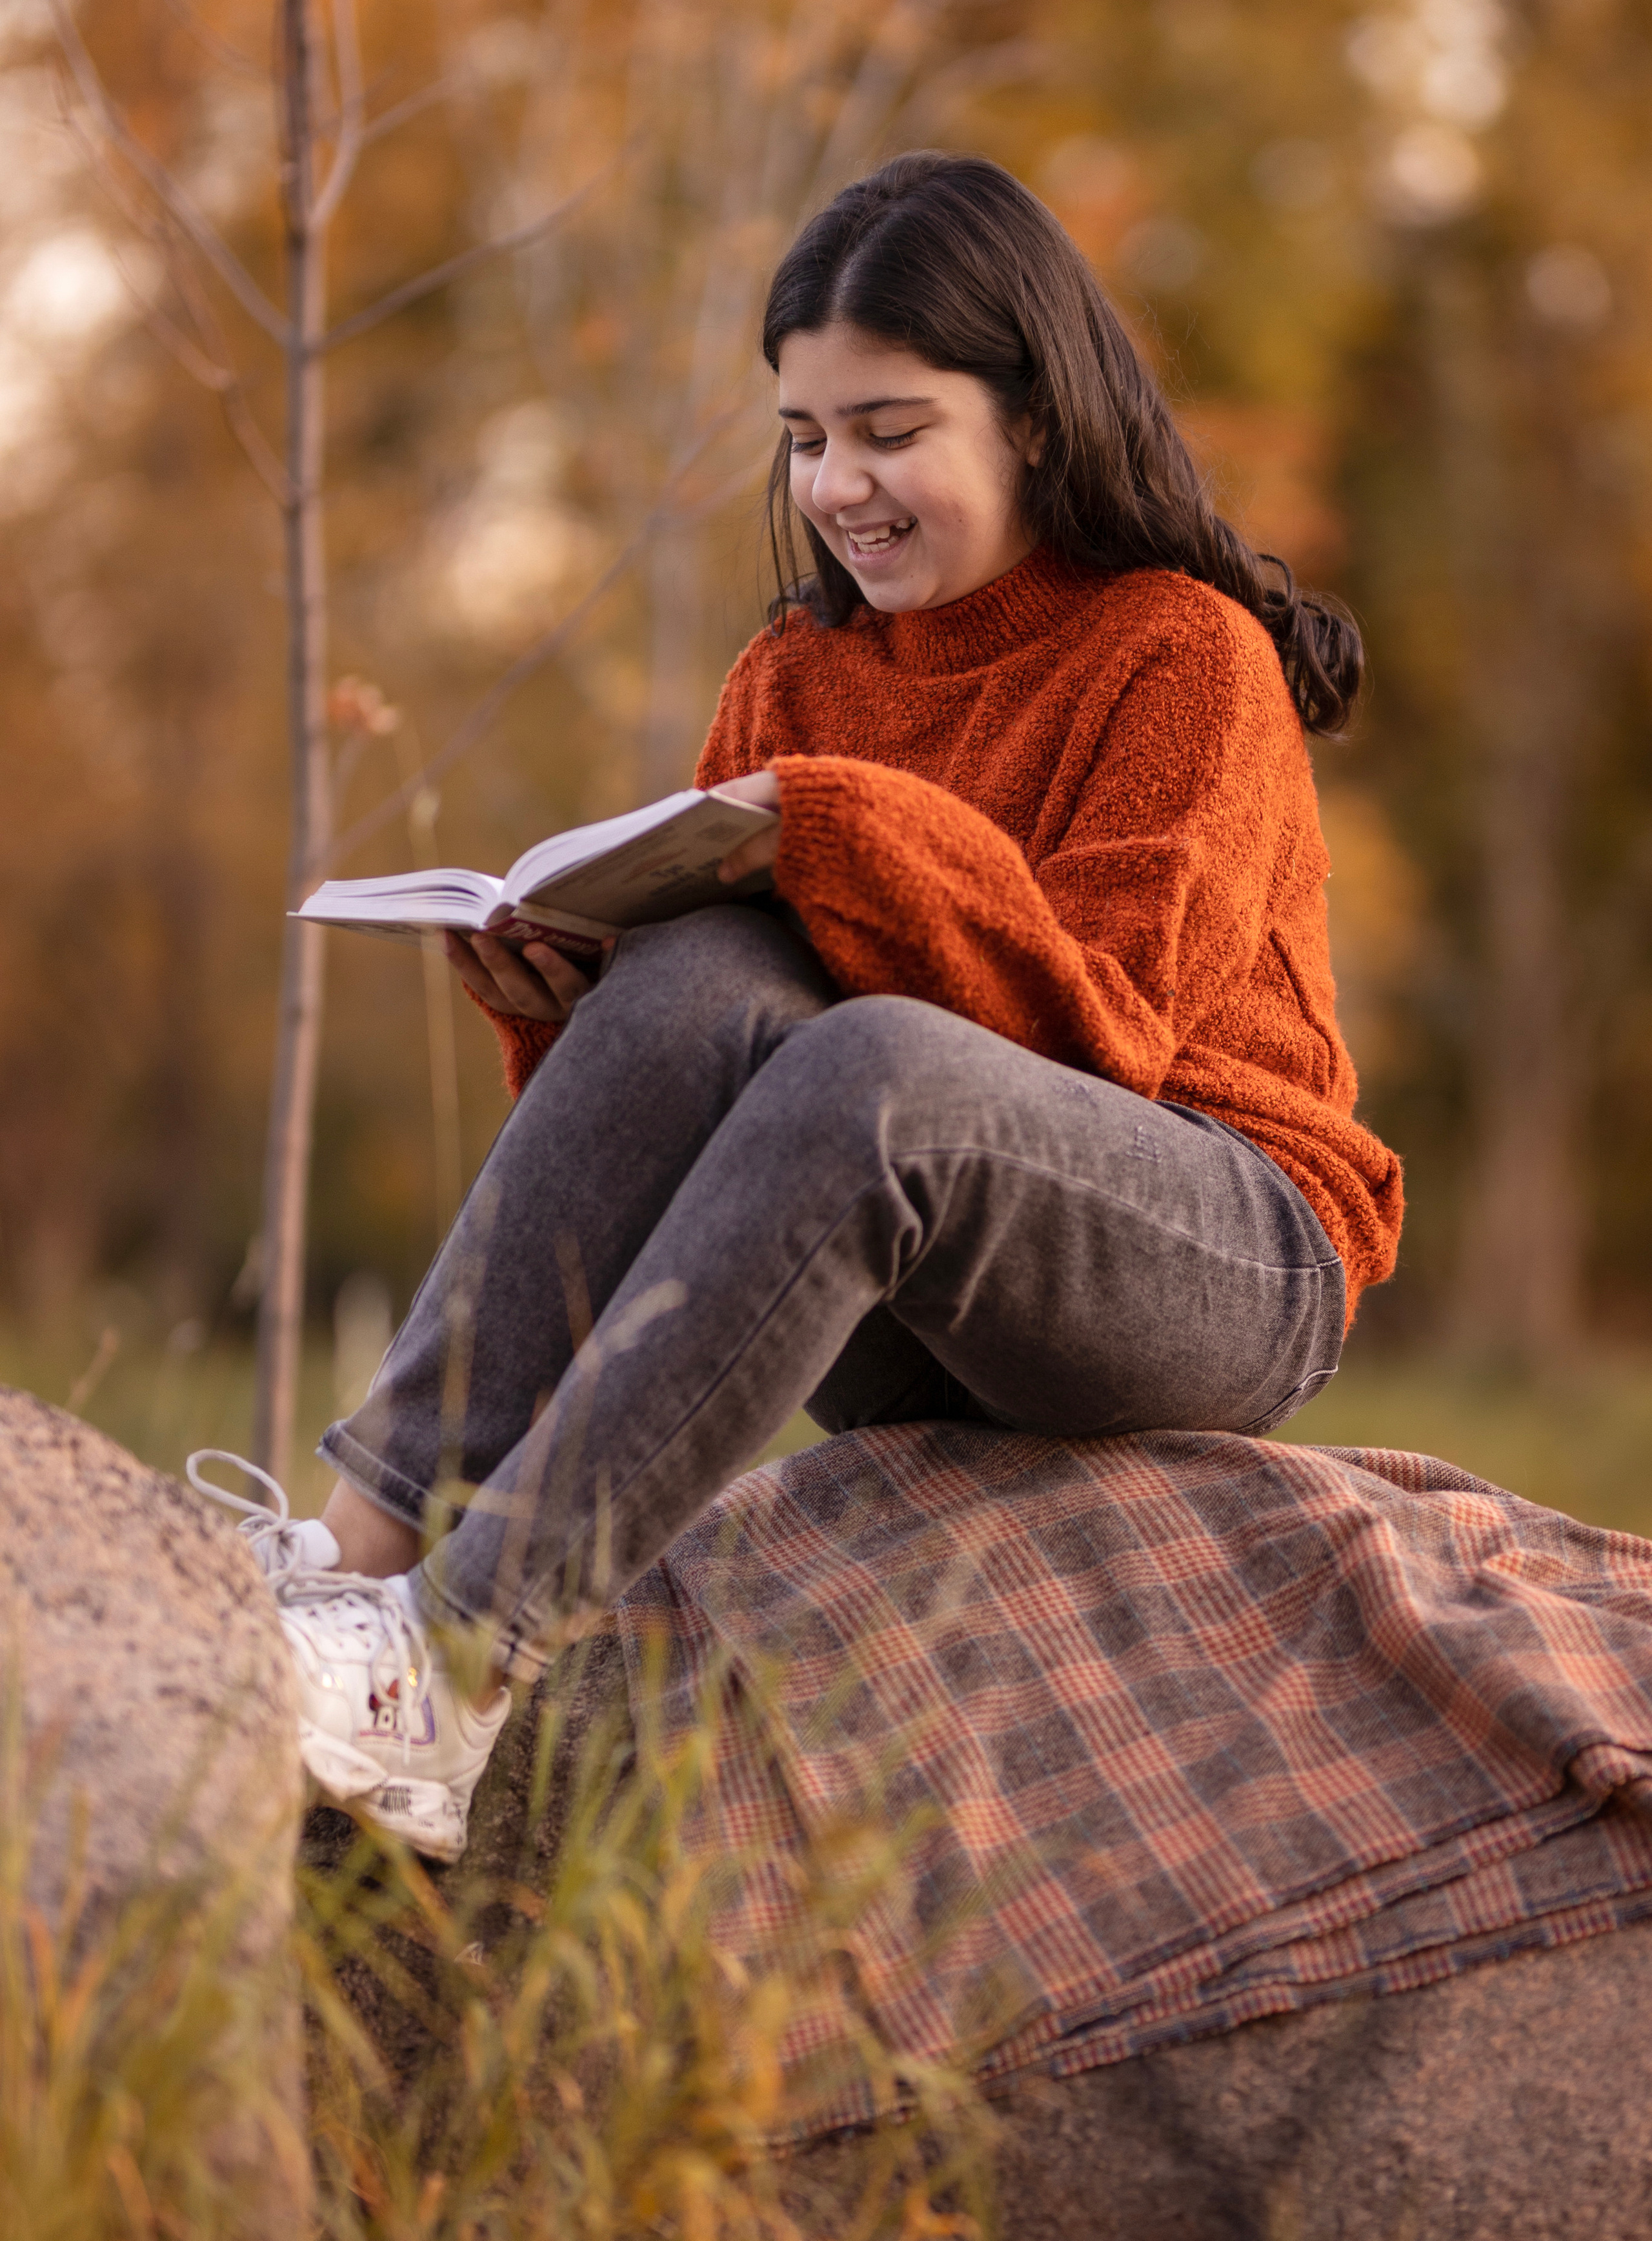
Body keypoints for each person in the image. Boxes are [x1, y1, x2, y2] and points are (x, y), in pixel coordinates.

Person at [196, 152, 1402, 1862]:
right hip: (908, 1293)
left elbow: (1112, 1034)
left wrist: (840, 828)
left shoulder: (1180, 653)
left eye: (891, 432)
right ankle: (356, 1561)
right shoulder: (795, 671)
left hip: (1214, 1249)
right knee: (699, 966)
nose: (840, 486)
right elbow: (692, 1104)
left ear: (1034, 419)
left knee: (874, 1060)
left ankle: (453, 1674)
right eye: (806, 438)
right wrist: (566, 994)